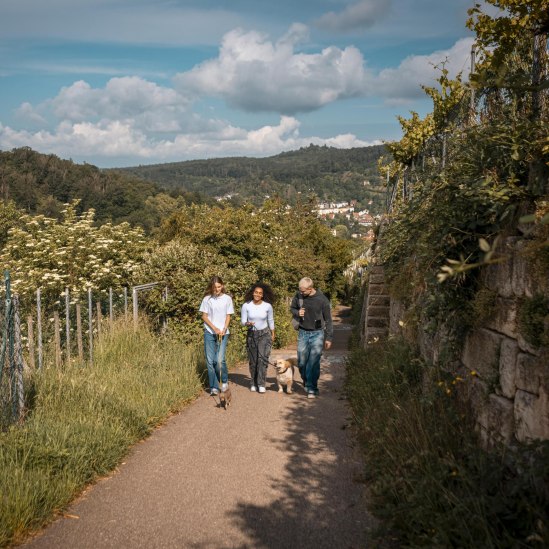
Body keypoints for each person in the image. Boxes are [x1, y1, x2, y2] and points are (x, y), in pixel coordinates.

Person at [290, 277, 333, 399]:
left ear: (310, 288)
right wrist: (297, 313)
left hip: (317, 334)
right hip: (303, 332)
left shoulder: (322, 300)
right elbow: (292, 308)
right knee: (302, 362)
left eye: (303, 291)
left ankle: (312, 388)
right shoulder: (298, 296)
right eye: (300, 290)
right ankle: (306, 380)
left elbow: (329, 320)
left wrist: (329, 337)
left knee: (313, 362)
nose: (301, 293)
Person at [199, 276, 234, 396]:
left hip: (223, 333)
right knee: (210, 360)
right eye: (215, 287)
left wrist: (224, 328)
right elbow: (204, 316)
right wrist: (214, 328)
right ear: (211, 287)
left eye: (219, 287)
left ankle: (224, 381)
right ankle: (213, 386)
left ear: (222, 286)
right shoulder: (207, 299)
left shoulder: (227, 299)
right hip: (210, 332)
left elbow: (228, 316)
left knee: (219, 360)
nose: (217, 289)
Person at [241, 283, 275, 393]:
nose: (257, 294)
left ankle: (261, 383)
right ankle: (253, 383)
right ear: (252, 293)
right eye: (256, 292)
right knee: (253, 361)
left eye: (260, 293)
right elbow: (242, 321)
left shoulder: (267, 306)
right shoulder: (246, 305)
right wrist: (248, 323)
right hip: (252, 334)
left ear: (263, 295)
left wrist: (273, 333)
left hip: (265, 334)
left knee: (262, 359)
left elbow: (270, 320)